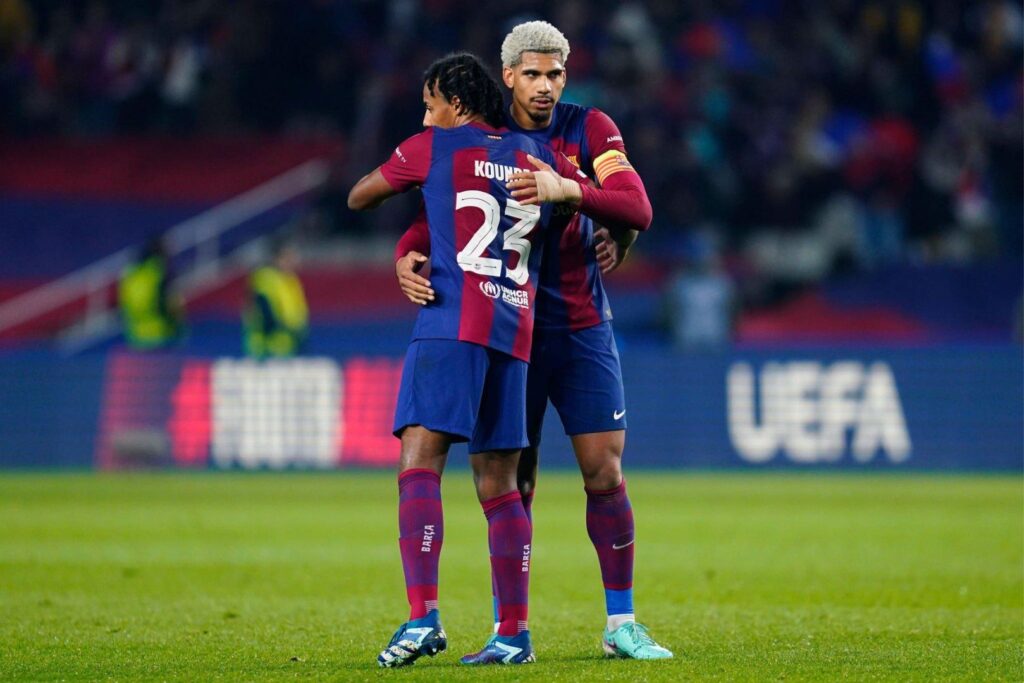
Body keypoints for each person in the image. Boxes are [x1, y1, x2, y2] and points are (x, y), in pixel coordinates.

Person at [349, 52, 650, 668]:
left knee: (590, 471)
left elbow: (633, 206)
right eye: (533, 74)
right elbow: (449, 211)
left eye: (555, 74)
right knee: (510, 482)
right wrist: (409, 249)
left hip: (534, 324)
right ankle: (510, 631)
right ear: (507, 76)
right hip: (518, 325)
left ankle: (611, 620)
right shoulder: (521, 152)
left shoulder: (582, 129)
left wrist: (594, 209)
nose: (546, 86)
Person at [243, 239, 308, 359]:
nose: (293, 260)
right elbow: (264, 308)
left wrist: (299, 333)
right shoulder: (265, 277)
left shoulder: (291, 279)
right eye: (288, 256)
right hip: (266, 345)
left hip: (287, 343)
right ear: (277, 257)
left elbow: (296, 311)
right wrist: (282, 327)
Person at [118, 236, 183, 350]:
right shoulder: (159, 271)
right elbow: (171, 302)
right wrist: (179, 329)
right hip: (161, 335)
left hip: (134, 336)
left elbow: (124, 303)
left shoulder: (131, 272)